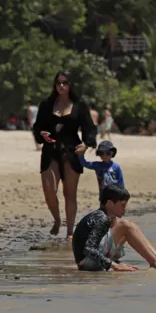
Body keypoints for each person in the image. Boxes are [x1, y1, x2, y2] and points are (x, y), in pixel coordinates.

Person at [32, 71, 97, 239]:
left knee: (70, 194)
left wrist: (86, 144)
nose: (61, 85)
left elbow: (89, 128)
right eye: (59, 82)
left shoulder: (79, 105)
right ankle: (56, 219)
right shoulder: (46, 104)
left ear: (70, 85)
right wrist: (41, 134)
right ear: (55, 85)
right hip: (50, 151)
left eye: (65, 83)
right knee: (49, 191)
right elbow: (37, 126)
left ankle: (70, 232)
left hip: (71, 151)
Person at [72, 186, 156, 272]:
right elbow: (88, 249)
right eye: (123, 205)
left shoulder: (104, 217)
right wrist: (115, 266)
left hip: (88, 262)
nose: (125, 209)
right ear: (110, 203)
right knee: (126, 226)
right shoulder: (102, 219)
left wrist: (118, 263)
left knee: (128, 226)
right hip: (87, 263)